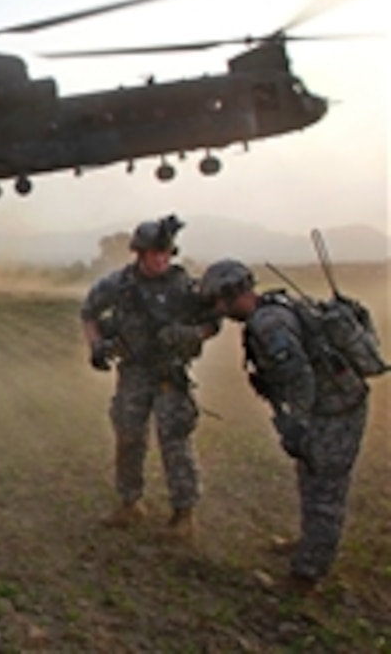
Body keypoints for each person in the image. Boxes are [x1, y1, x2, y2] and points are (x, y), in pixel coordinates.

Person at [199, 259, 369, 595]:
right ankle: (310, 542)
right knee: (310, 475)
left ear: (232, 294)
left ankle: (306, 576)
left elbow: (299, 376)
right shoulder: (274, 307)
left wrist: (298, 424)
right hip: (329, 406)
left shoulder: (268, 324)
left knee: (325, 489)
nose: (217, 309)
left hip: (335, 412)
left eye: (218, 300)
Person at [80, 215, 219, 539]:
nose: (160, 259)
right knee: (128, 437)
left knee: (175, 441)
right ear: (139, 254)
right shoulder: (119, 285)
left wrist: (189, 334)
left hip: (169, 374)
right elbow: (89, 312)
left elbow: (212, 322)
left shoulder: (185, 287)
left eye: (165, 253)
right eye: (154, 253)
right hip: (133, 373)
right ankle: (130, 503)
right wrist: (96, 345)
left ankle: (184, 513)